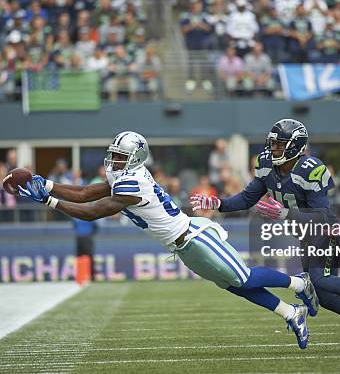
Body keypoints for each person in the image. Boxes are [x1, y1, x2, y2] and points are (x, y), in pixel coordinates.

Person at [16, 132, 315, 350]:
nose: (114, 160)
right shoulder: (124, 175)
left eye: (121, 156)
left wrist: (50, 201)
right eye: (115, 155)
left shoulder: (132, 184)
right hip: (182, 246)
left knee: (245, 277)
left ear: (134, 159)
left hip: (195, 237)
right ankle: (290, 313)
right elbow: (84, 193)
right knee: (235, 287)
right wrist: (49, 184)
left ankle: (300, 284)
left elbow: (92, 212)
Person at [191, 119, 340, 351]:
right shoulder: (266, 164)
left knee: (320, 280)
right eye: (273, 144)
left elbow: (323, 216)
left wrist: (285, 214)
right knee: (326, 297)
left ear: (295, 146)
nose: (273, 149)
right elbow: (247, 198)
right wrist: (218, 203)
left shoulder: (310, 169)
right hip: (306, 235)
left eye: (279, 144)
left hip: (326, 231)